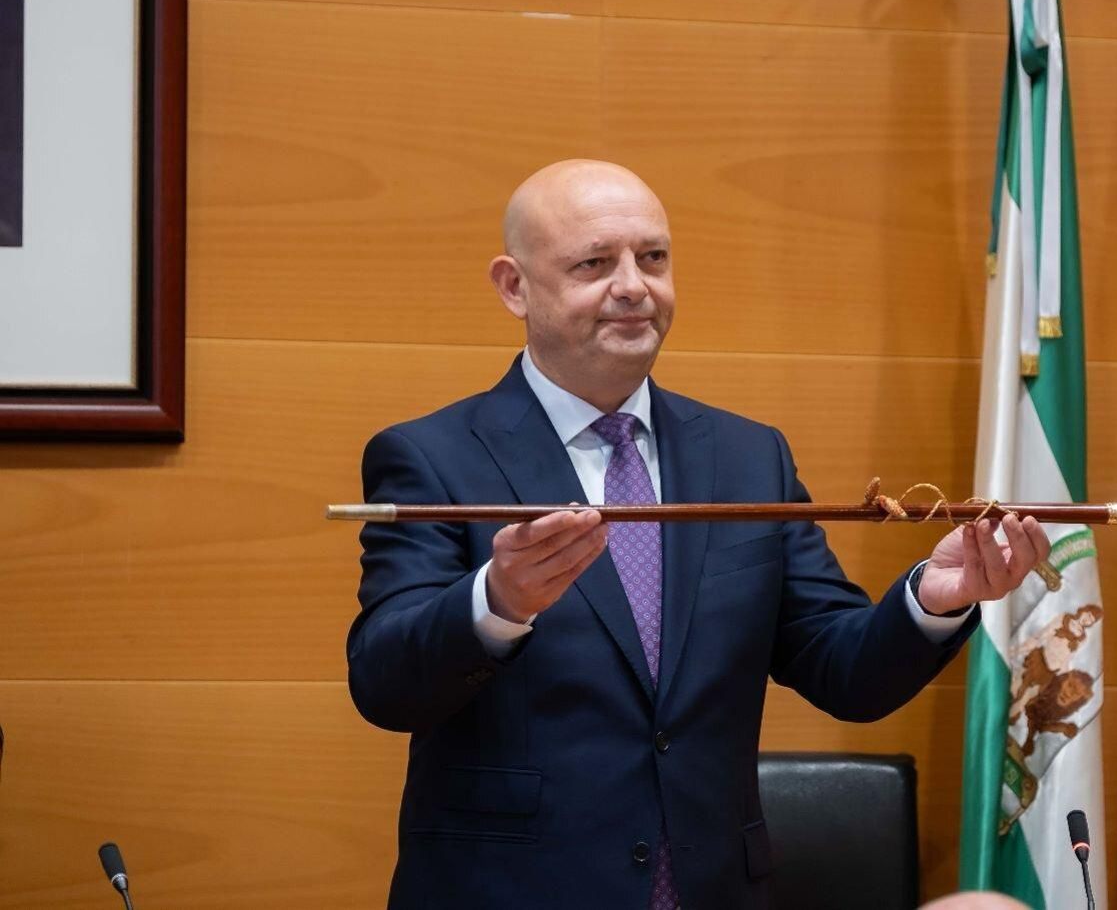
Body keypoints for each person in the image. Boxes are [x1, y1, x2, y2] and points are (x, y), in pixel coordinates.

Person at [346, 160, 1051, 910]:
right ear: (514, 286)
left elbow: (842, 670)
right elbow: (386, 683)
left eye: (652, 258)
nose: (632, 286)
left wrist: (932, 601)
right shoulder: (432, 455)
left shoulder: (748, 456)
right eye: (593, 263)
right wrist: (497, 602)